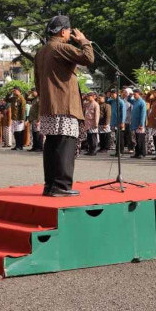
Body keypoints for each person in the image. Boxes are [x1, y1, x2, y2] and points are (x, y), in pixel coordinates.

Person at [34, 15, 94, 197]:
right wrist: (83, 40)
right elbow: (88, 58)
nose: (70, 34)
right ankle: (61, 185)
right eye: (68, 31)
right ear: (62, 31)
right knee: (65, 145)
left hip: (49, 105)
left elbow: (37, 81)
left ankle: (50, 185)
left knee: (52, 145)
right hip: (64, 105)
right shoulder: (61, 47)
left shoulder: (42, 51)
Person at [127, 89, 147, 159]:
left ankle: (142, 153)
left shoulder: (142, 102)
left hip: (139, 124)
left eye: (135, 94)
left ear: (139, 94)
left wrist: (141, 124)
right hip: (134, 124)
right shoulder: (135, 101)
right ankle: (137, 153)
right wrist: (130, 95)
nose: (134, 95)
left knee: (140, 140)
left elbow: (143, 114)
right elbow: (129, 100)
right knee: (135, 140)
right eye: (134, 94)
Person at [107, 89, 127, 156]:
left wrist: (122, 122)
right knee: (117, 137)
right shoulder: (112, 101)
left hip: (120, 122)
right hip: (114, 122)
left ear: (117, 94)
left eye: (113, 94)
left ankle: (121, 151)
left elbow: (124, 113)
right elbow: (107, 100)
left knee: (120, 137)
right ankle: (117, 152)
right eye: (111, 94)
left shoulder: (121, 102)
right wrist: (110, 96)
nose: (112, 95)